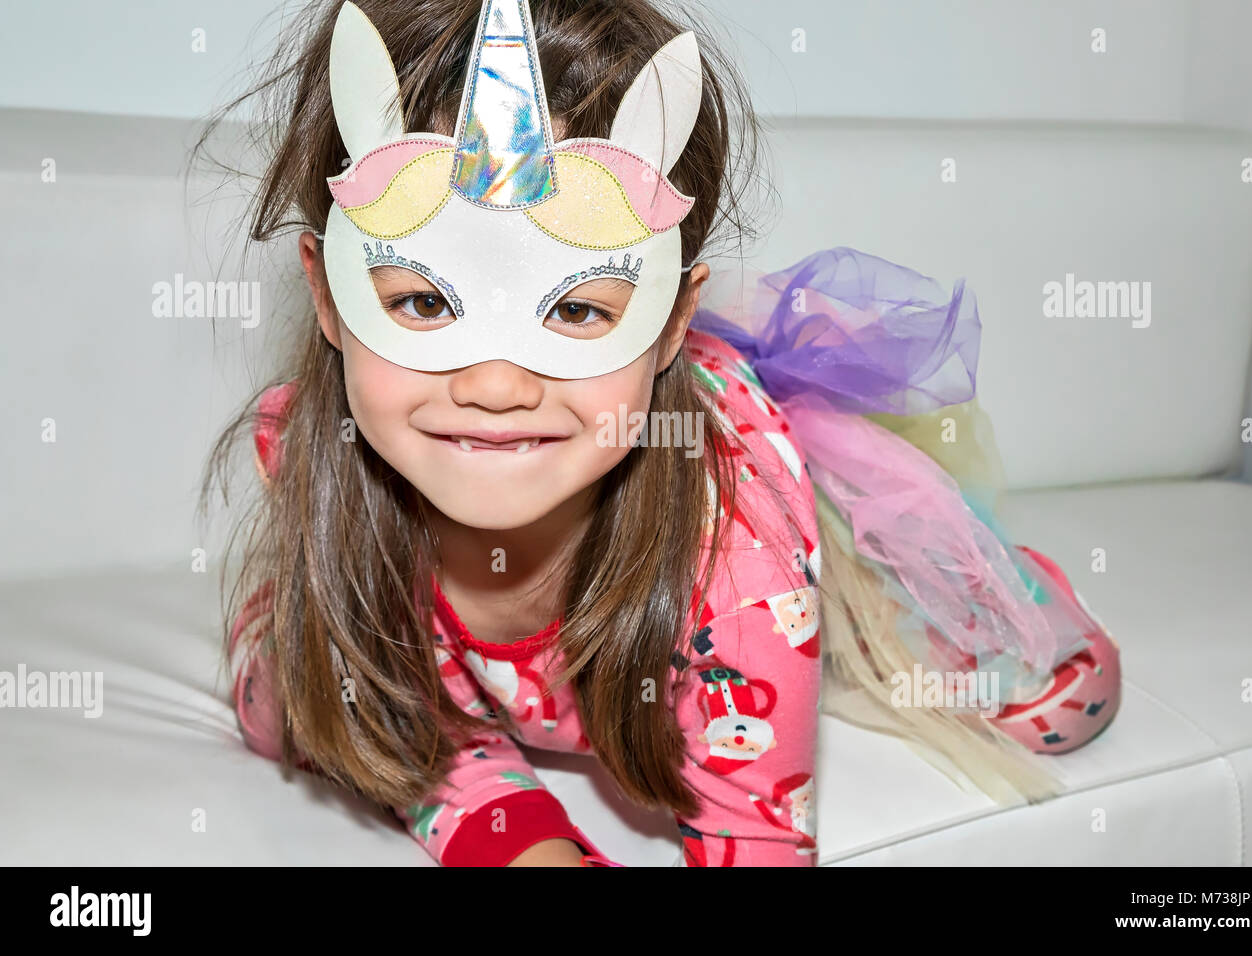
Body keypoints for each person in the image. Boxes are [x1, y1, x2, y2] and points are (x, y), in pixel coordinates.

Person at [203, 0, 1119, 867]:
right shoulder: (327, 455)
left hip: (745, 557)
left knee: (1058, 696)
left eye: (579, 309)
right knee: (289, 704)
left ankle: (895, 596)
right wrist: (517, 832)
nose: (493, 384)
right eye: (422, 299)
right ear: (327, 292)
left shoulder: (738, 551)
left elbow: (756, 835)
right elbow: (356, 716)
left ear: (676, 319)